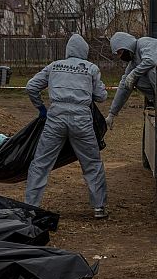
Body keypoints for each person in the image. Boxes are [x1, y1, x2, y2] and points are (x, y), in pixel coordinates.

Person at [25, 34, 110, 219]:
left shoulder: (54, 66)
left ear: (68, 51)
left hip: (56, 118)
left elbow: (31, 87)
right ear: (85, 52)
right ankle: (99, 207)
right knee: (92, 163)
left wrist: (41, 108)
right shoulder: (91, 68)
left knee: (41, 163)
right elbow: (102, 96)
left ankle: (31, 206)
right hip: (81, 119)